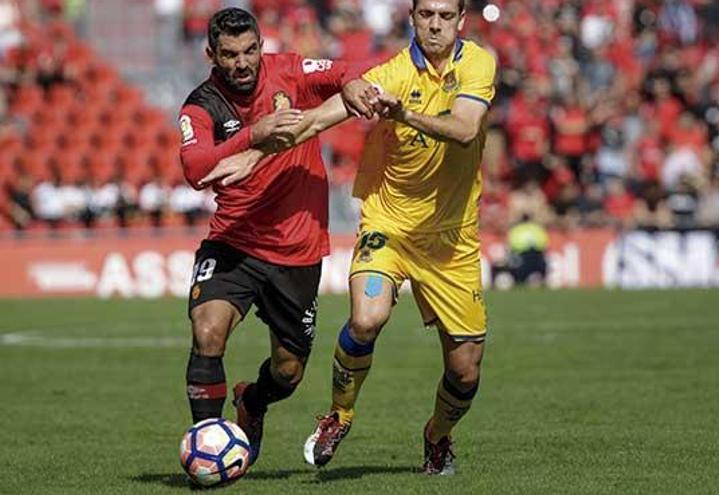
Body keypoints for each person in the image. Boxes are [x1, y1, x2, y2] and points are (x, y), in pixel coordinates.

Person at [304, 0, 494, 476]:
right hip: (388, 225)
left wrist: (404, 116)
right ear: (411, 19)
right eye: (426, 14)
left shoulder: (477, 62)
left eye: (445, 15)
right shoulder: (390, 74)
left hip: (451, 240)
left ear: (461, 21)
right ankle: (338, 415)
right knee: (366, 319)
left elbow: (466, 130)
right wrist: (269, 141)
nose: (434, 23)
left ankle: (437, 436)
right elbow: (325, 116)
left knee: (466, 369)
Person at [177, 7, 372, 466]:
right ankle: (208, 449)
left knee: (288, 372)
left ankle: (252, 402)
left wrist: (354, 84)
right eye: (230, 55)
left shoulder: (289, 71)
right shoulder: (201, 105)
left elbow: (347, 72)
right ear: (212, 55)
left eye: (249, 51)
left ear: (260, 45)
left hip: (297, 250)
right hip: (234, 242)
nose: (242, 63)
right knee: (207, 332)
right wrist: (252, 134)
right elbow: (195, 169)